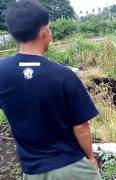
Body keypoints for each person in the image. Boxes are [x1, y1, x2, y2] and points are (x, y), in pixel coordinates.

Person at [0, 1, 102, 180]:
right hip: (71, 166)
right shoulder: (63, 75)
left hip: (32, 171)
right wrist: (91, 158)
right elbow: (81, 128)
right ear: (44, 30)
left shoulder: (2, 73)